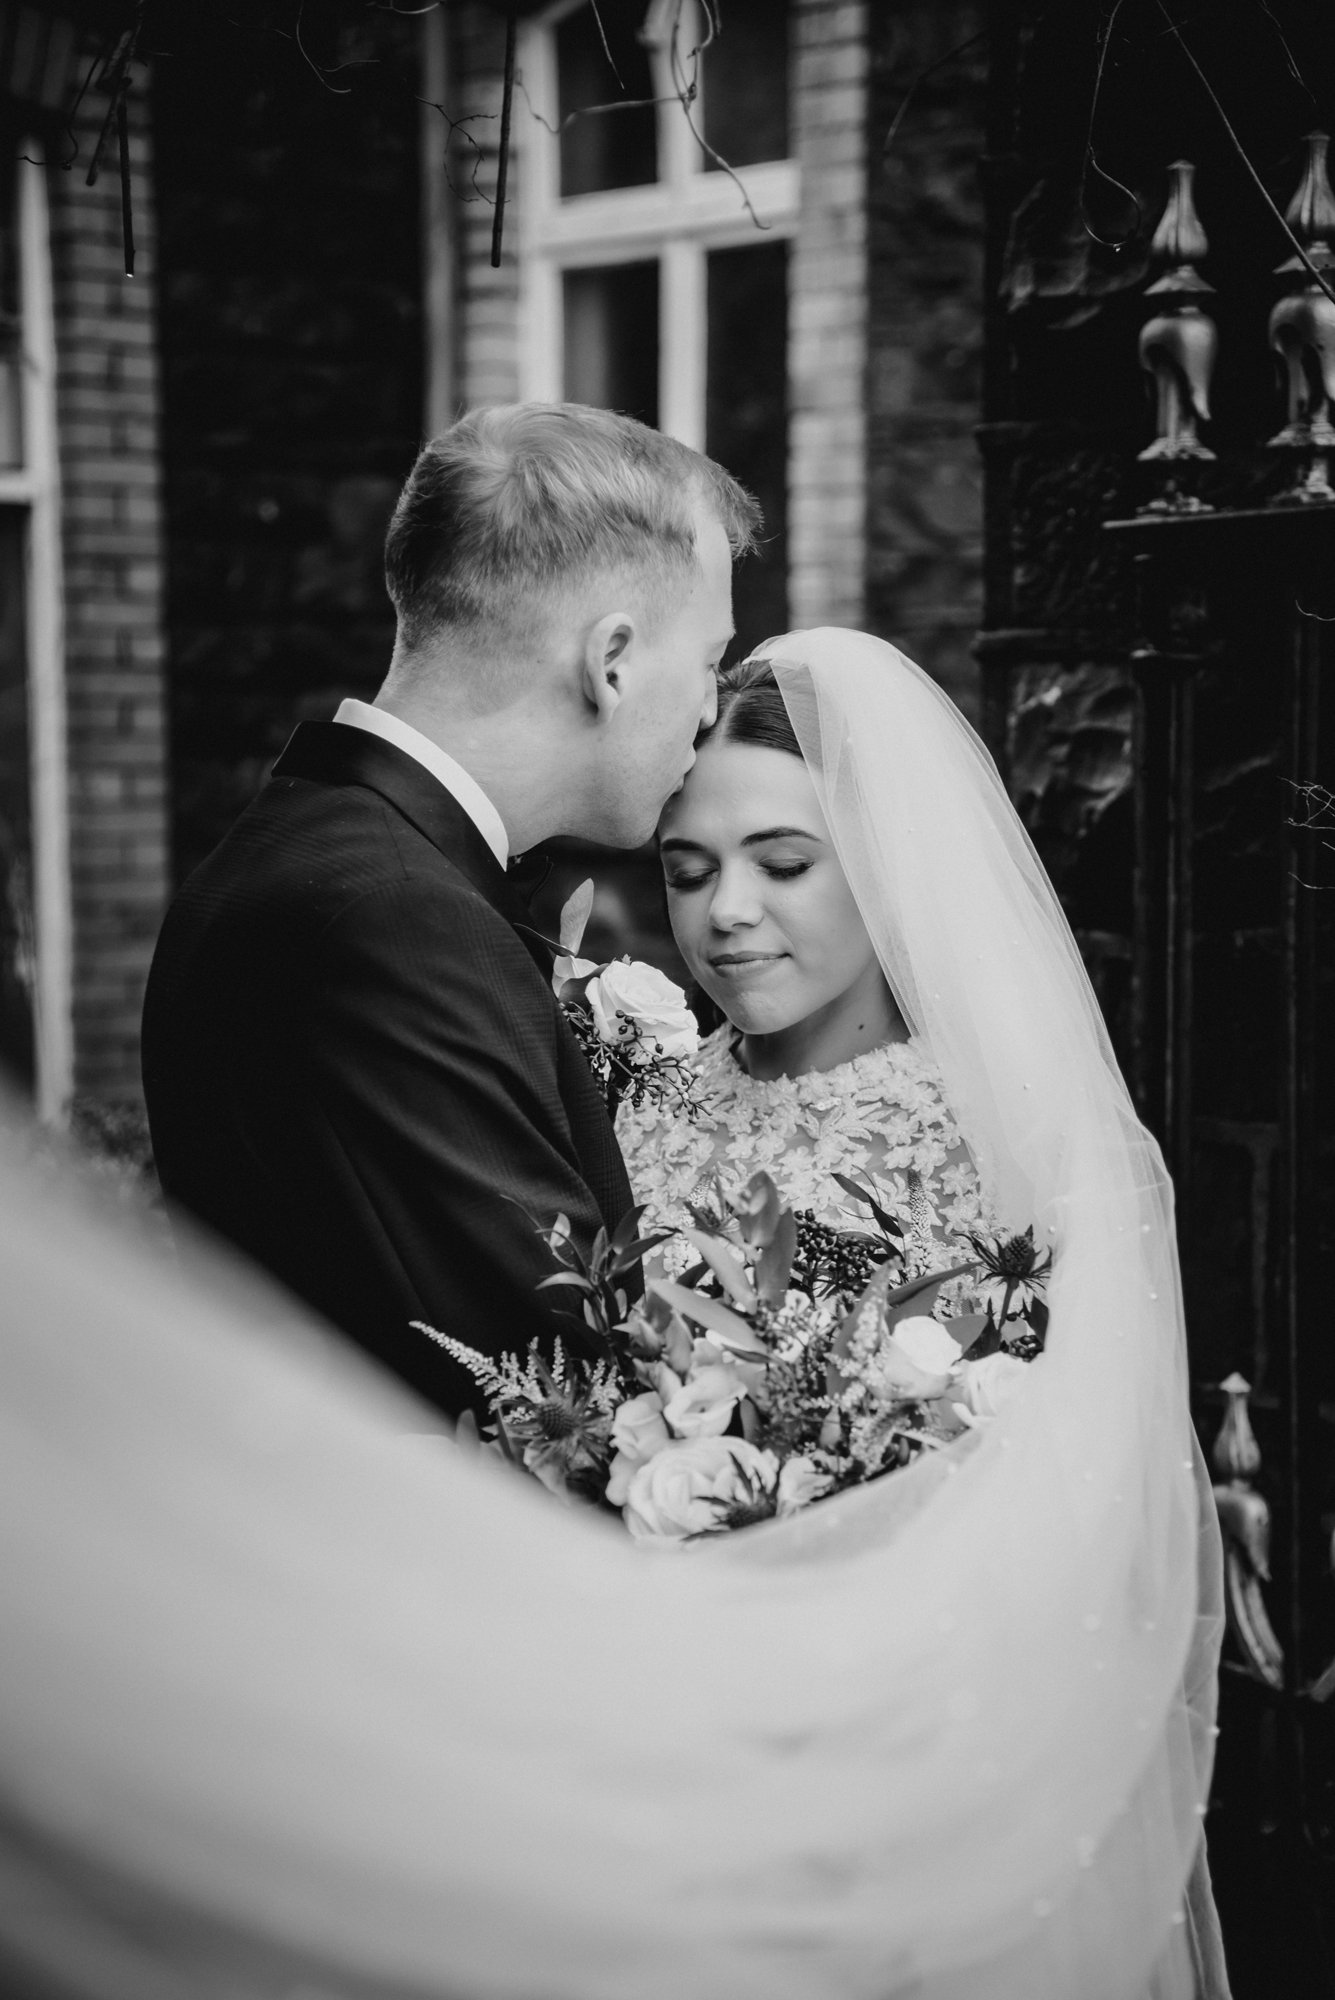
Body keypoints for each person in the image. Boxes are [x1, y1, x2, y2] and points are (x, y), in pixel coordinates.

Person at [1, 630, 1228, 1999]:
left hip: (871, 1733)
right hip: (607, 1716)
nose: (725, 915)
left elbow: (1040, 1496)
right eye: (689, 870)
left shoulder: (987, 1142)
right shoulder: (625, 1089)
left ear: (885, 867)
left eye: (782, 861)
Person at [141, 403, 756, 1419]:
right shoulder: (393, 920)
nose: (708, 708)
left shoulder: (311, 850)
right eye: (708, 661)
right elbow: (559, 1388)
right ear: (612, 662)